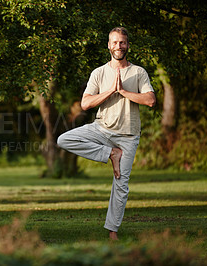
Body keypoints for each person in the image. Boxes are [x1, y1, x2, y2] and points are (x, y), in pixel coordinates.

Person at [57, 27, 156, 240]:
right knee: (64, 139)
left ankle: (113, 232)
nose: (118, 46)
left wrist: (123, 92)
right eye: (114, 42)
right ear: (108, 45)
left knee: (121, 184)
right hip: (101, 129)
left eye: (122, 42)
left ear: (128, 45)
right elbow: (85, 104)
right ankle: (110, 154)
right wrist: (110, 90)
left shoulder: (138, 72)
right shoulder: (99, 73)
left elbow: (150, 100)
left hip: (128, 135)